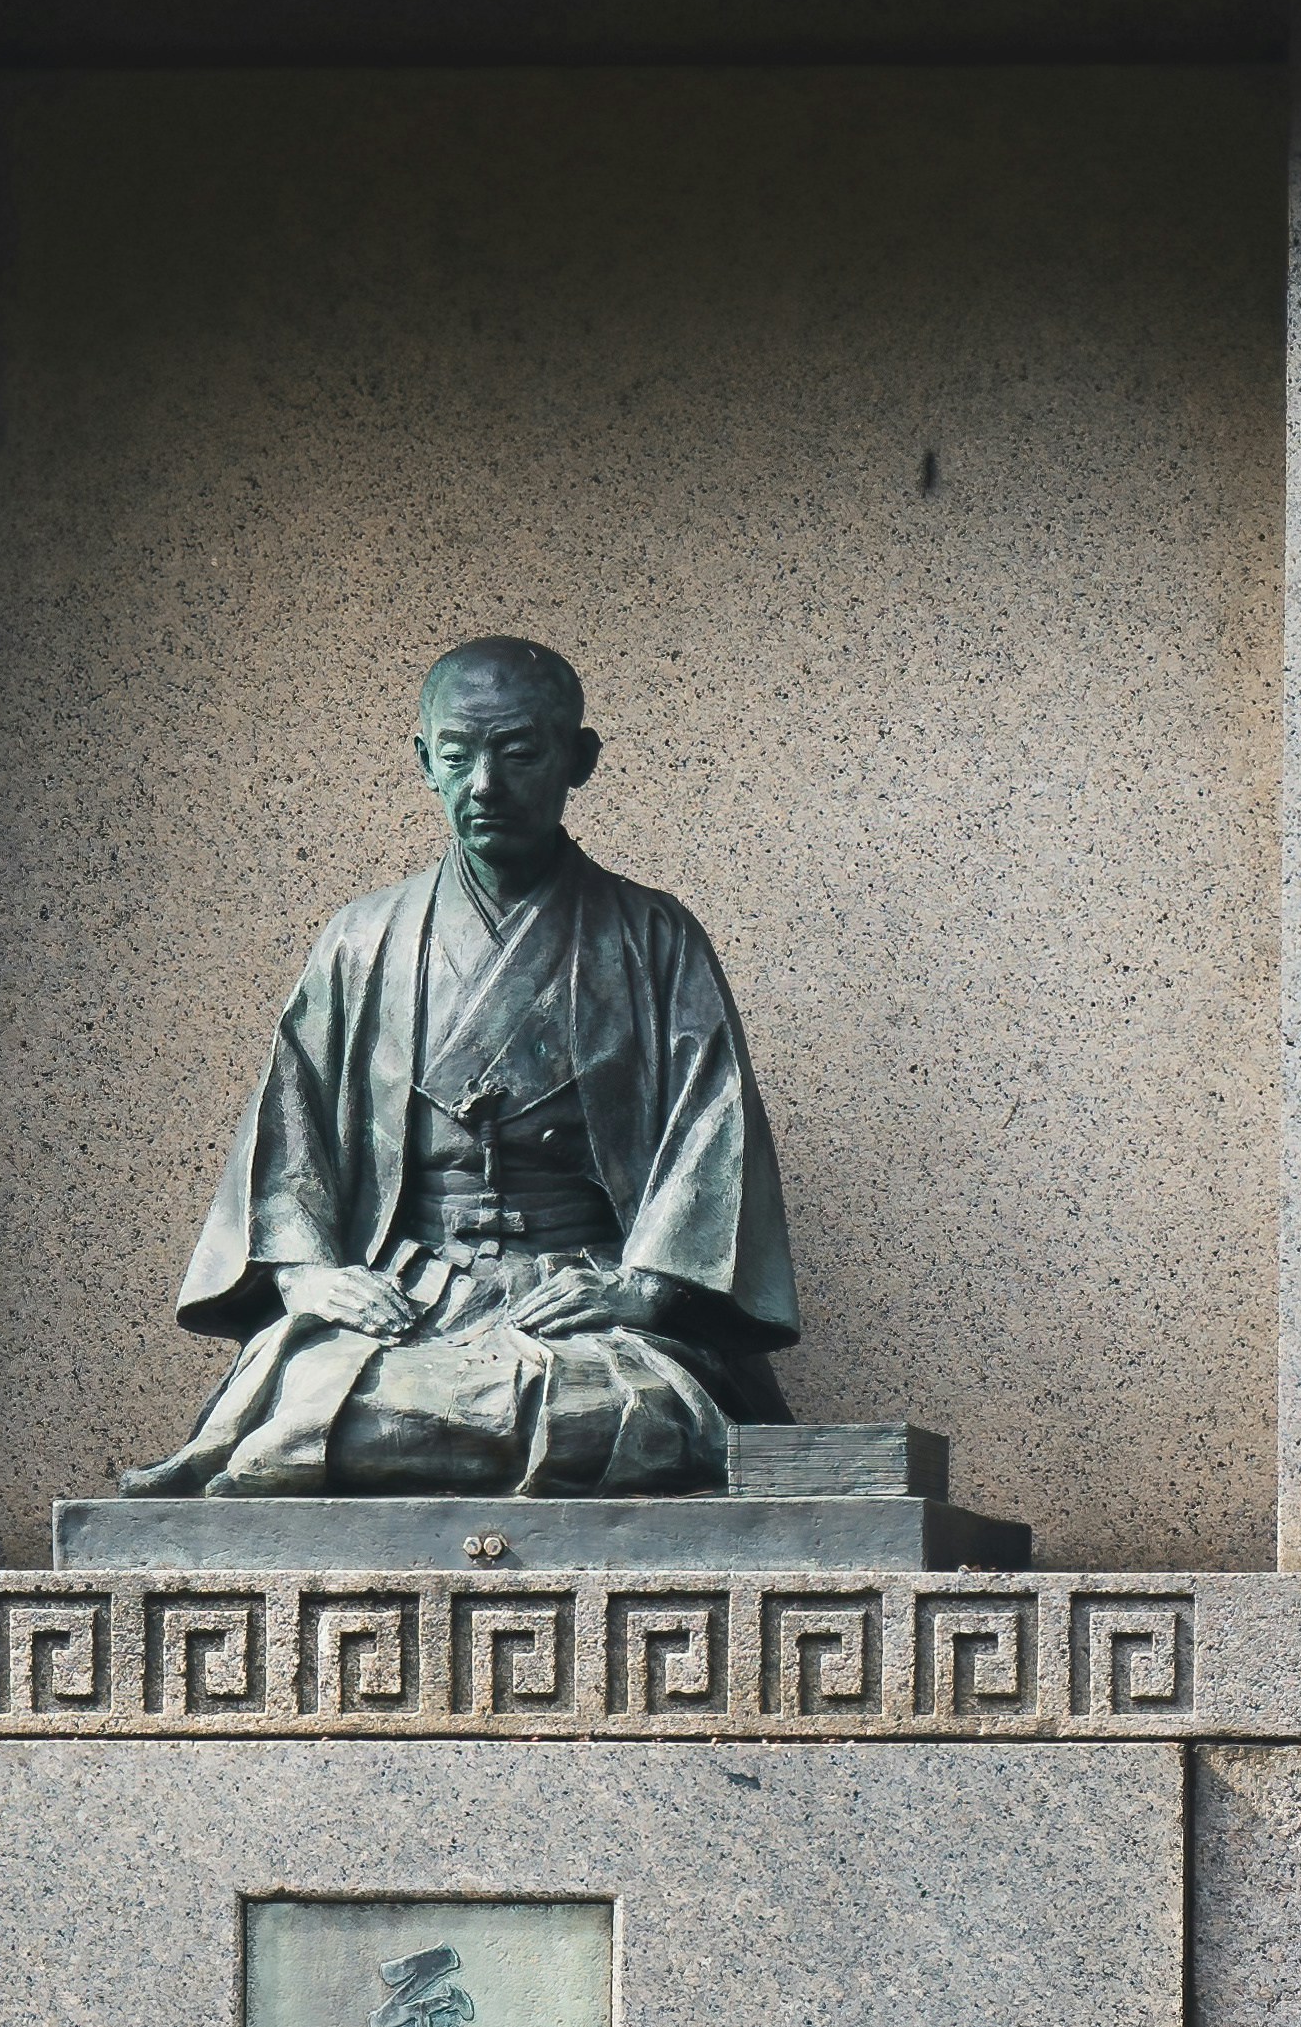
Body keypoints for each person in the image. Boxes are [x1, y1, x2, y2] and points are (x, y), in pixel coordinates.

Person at [130, 635, 801, 1495]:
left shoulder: (652, 936)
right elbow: (289, 1142)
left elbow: (712, 1137)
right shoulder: (361, 942)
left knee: (627, 1411)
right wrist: (309, 1275)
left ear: (578, 760)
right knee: (311, 1404)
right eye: (457, 755)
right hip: (406, 1306)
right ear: (424, 762)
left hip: (580, 1309)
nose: (485, 784)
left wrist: (642, 1289)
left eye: (518, 753)